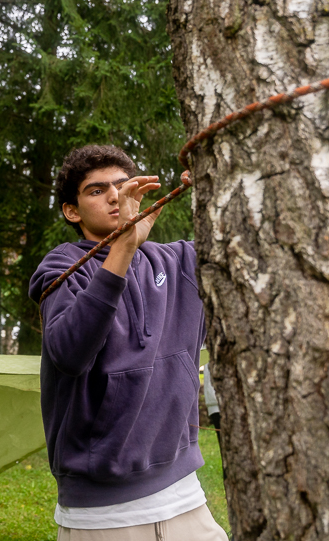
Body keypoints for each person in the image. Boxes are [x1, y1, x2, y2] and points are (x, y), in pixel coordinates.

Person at [29, 145, 228, 541]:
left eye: (123, 186)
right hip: (101, 515)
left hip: (186, 497)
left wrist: (211, 187)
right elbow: (69, 353)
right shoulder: (61, 267)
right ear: (73, 211)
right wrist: (123, 246)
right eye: (97, 190)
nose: (116, 197)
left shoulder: (178, 262)